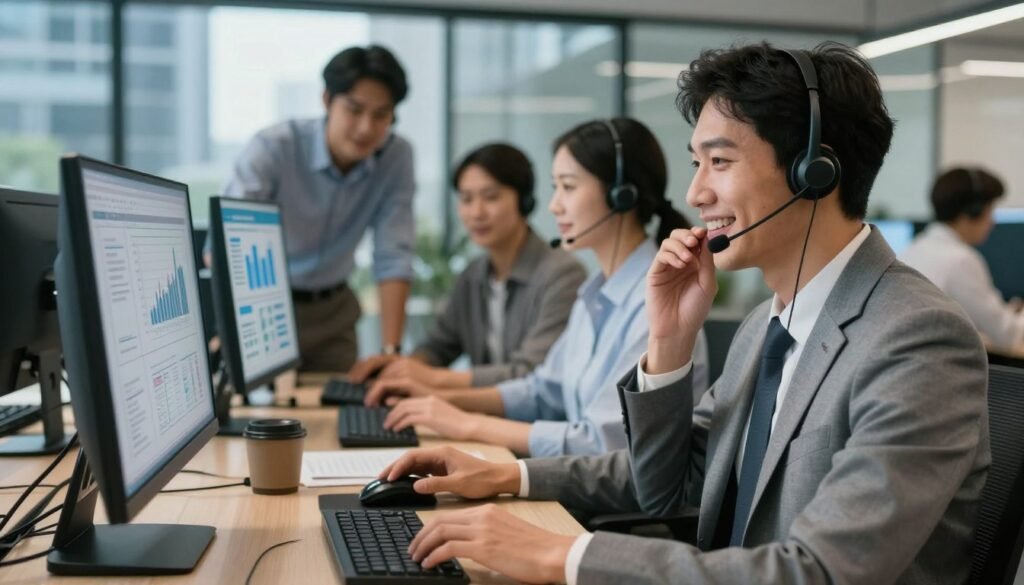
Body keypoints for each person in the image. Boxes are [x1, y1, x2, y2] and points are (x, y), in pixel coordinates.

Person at [374, 42, 989, 585]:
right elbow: (662, 486)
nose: (695, 194)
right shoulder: (766, 327)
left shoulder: (915, 339)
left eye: (719, 162)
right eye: (697, 164)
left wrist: (563, 558)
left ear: (813, 171)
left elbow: (820, 571)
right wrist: (509, 473)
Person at [364, 118, 709, 457]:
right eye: (555, 187)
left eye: (568, 187)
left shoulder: (656, 303)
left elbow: (600, 443)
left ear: (622, 195)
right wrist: (438, 402)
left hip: (606, 506)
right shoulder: (594, 294)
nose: (554, 205)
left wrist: (466, 423)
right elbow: (543, 391)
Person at [216, 45, 415, 372]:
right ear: (326, 100)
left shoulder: (396, 157)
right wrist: (229, 325)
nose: (366, 128)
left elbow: (394, 254)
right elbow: (226, 245)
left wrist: (391, 352)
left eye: (382, 115)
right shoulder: (273, 148)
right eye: (354, 109)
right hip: (264, 309)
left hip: (334, 313)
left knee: (342, 412)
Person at [349, 143, 586, 388]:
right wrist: (399, 368)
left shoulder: (562, 275)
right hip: (485, 416)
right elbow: (439, 347)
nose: (476, 212)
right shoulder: (474, 275)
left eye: (491, 197)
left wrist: (432, 378)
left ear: (525, 202)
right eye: (466, 199)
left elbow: (532, 374)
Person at [900, 167, 1024, 353]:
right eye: (990, 210)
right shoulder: (961, 261)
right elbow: (1007, 334)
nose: (993, 221)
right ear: (973, 211)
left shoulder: (914, 248)